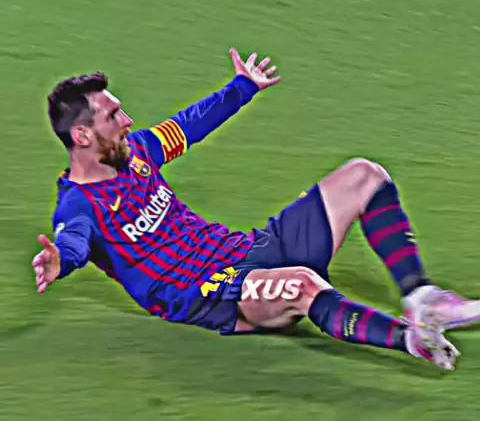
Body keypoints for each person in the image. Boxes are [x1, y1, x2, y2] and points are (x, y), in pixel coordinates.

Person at [32, 48, 480, 370]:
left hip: (248, 249)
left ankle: (423, 301)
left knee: (365, 175)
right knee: (302, 284)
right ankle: (413, 340)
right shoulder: (79, 205)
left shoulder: (139, 151)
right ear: (83, 136)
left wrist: (242, 87)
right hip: (213, 293)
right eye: (113, 116)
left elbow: (189, 125)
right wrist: (59, 262)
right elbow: (74, 242)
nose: (128, 121)